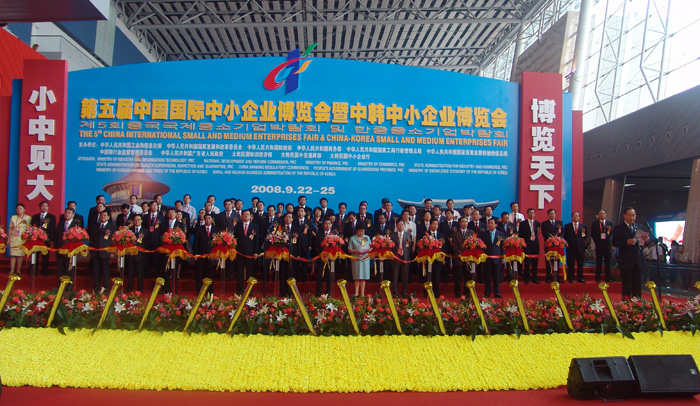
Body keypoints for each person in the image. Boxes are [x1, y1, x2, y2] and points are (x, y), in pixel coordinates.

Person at [612, 207, 648, 299]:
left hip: (638, 259)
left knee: (637, 283)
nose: (632, 217)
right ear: (624, 215)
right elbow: (615, 242)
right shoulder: (618, 228)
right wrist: (626, 242)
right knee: (627, 283)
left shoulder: (639, 227)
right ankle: (626, 302)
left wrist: (646, 240)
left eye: (633, 215)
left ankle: (637, 301)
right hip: (626, 259)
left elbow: (644, 244)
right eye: (630, 215)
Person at [234, 210, 259, 295]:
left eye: (247, 214)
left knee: (250, 272)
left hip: (250, 253)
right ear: (241, 216)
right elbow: (234, 240)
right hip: (240, 252)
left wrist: (256, 252)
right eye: (244, 214)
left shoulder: (254, 226)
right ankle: (239, 290)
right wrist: (235, 251)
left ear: (250, 216)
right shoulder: (237, 226)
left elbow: (257, 240)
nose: (246, 216)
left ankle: (249, 290)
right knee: (240, 272)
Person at [193, 213, 218, 295]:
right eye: (206, 218)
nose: (207, 220)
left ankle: (210, 290)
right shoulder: (199, 229)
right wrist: (195, 254)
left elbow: (217, 244)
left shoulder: (216, 230)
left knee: (210, 273)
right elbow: (195, 242)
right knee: (200, 273)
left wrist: (217, 254)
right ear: (204, 219)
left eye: (209, 218)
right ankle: (199, 290)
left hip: (211, 255)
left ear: (212, 220)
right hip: (201, 254)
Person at [480, 218, 504, 298]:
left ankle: (497, 292)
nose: (490, 224)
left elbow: (503, 246)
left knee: (497, 276)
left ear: (496, 224)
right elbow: (481, 246)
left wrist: (503, 257)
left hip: (497, 258)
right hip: (487, 259)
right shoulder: (484, 234)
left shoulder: (500, 234)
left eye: (491, 223)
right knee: (487, 276)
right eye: (489, 223)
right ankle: (487, 292)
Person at [451, 217, 474, 297]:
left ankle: (467, 292)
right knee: (458, 277)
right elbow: (454, 245)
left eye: (466, 221)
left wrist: (467, 255)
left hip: (468, 259)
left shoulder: (471, 232)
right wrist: (460, 254)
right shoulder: (455, 233)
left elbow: (473, 245)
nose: (464, 223)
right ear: (460, 223)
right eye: (463, 222)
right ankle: (457, 292)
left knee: (468, 276)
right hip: (459, 258)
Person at [31, 200, 56, 277]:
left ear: (48, 207)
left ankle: (45, 271)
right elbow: (32, 228)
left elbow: (52, 229)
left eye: (46, 206)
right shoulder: (35, 217)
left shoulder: (51, 217)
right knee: (35, 255)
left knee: (45, 256)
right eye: (43, 206)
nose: (44, 207)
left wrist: (51, 239)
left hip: (46, 240)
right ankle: (34, 271)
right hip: (36, 239)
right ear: (40, 207)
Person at [93, 211, 115, 291]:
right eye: (101, 215)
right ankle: (96, 288)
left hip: (106, 252)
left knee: (106, 271)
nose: (103, 217)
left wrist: (112, 252)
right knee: (96, 271)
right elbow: (92, 239)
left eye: (105, 215)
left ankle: (105, 287)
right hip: (96, 252)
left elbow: (114, 240)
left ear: (108, 217)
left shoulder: (112, 227)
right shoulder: (95, 227)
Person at [55, 207, 79, 281]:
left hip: (70, 251)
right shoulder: (60, 224)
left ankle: (69, 286)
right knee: (60, 270)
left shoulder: (76, 225)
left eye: (69, 213)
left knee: (69, 270)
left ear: (73, 214)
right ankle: (60, 286)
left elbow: (78, 238)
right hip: (60, 250)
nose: (67, 214)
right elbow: (56, 237)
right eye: (66, 213)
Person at [125, 215, 148, 292]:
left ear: (141, 221)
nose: (137, 221)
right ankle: (129, 287)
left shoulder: (145, 231)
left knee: (140, 272)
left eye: (138, 219)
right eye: (135, 220)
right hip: (131, 255)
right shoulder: (129, 230)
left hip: (140, 255)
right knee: (130, 272)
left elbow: (147, 243)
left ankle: (140, 288)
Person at [347, 222, 370, 297]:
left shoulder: (367, 238)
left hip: (365, 259)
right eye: (360, 231)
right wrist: (356, 251)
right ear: (356, 231)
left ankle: (362, 293)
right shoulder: (352, 238)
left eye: (362, 231)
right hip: (356, 259)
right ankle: (356, 293)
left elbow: (370, 247)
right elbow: (349, 249)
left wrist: (367, 250)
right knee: (356, 277)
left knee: (363, 277)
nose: (361, 233)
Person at [390, 220, 412, 298]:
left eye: (402, 224)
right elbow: (391, 247)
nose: (401, 226)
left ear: (404, 225)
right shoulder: (392, 235)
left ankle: (404, 292)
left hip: (405, 257)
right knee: (395, 275)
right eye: (399, 225)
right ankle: (395, 292)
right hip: (395, 257)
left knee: (405, 275)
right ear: (396, 226)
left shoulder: (408, 235)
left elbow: (409, 247)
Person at [541, 209, 564, 283]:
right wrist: (551, 240)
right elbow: (544, 233)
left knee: (557, 261)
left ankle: (557, 276)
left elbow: (562, 233)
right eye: (550, 214)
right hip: (549, 245)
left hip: (558, 245)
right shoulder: (544, 223)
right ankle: (548, 277)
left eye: (553, 213)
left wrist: (558, 239)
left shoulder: (559, 223)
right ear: (548, 215)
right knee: (548, 261)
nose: (552, 215)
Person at [591, 209, 613, 282]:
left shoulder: (609, 223)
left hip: (607, 245)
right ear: (598, 215)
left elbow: (610, 234)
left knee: (607, 263)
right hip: (599, 245)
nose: (602, 215)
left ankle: (608, 278)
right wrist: (598, 242)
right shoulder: (595, 224)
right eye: (600, 214)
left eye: (603, 213)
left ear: (605, 214)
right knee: (599, 262)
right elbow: (593, 234)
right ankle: (598, 278)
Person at [564, 212, 587, 283]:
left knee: (580, 264)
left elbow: (585, 236)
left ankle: (580, 278)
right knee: (571, 263)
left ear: (579, 217)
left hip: (580, 247)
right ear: (572, 217)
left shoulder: (583, 226)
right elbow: (565, 236)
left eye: (577, 216)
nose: (576, 217)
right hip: (571, 247)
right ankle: (570, 278)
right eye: (574, 216)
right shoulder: (567, 226)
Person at [519, 208, 540, 284]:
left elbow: (537, 233)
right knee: (527, 262)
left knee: (535, 262)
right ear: (527, 214)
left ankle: (535, 278)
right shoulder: (523, 223)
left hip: (535, 244)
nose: (532, 214)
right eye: (530, 213)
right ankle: (527, 278)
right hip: (527, 244)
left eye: (533, 213)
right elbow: (520, 234)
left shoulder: (537, 223)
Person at [314, 219, 334, 296]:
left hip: (331, 259)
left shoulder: (334, 235)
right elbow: (316, 246)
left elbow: (336, 247)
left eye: (329, 223)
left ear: (331, 225)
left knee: (330, 276)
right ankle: (318, 293)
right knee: (320, 275)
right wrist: (322, 254)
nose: (327, 225)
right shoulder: (319, 234)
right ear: (323, 225)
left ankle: (329, 293)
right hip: (321, 258)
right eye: (326, 223)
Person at [9, 203, 30, 275]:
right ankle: (12, 270)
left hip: (22, 239)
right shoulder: (13, 217)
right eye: (17, 208)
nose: (19, 210)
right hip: (13, 238)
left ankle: (18, 270)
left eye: (20, 208)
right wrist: (8, 239)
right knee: (13, 255)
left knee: (20, 255)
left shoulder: (28, 218)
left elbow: (29, 229)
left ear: (24, 210)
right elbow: (10, 228)